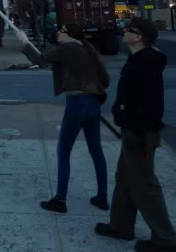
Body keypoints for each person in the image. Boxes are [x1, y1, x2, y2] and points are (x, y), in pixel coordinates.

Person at [95, 18, 176, 252]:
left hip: (140, 132)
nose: (123, 31)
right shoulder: (138, 59)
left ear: (138, 37)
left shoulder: (146, 63)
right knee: (124, 179)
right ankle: (121, 226)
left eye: (129, 29)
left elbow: (150, 104)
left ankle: (165, 238)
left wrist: (139, 132)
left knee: (144, 185)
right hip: (132, 129)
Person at [23, 23, 110, 213]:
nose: (58, 33)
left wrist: (25, 43)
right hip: (94, 104)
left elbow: (39, 59)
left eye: (61, 31)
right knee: (96, 150)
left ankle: (60, 200)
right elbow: (104, 79)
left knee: (63, 150)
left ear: (69, 35)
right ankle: (102, 197)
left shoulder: (66, 48)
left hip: (77, 103)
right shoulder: (88, 51)